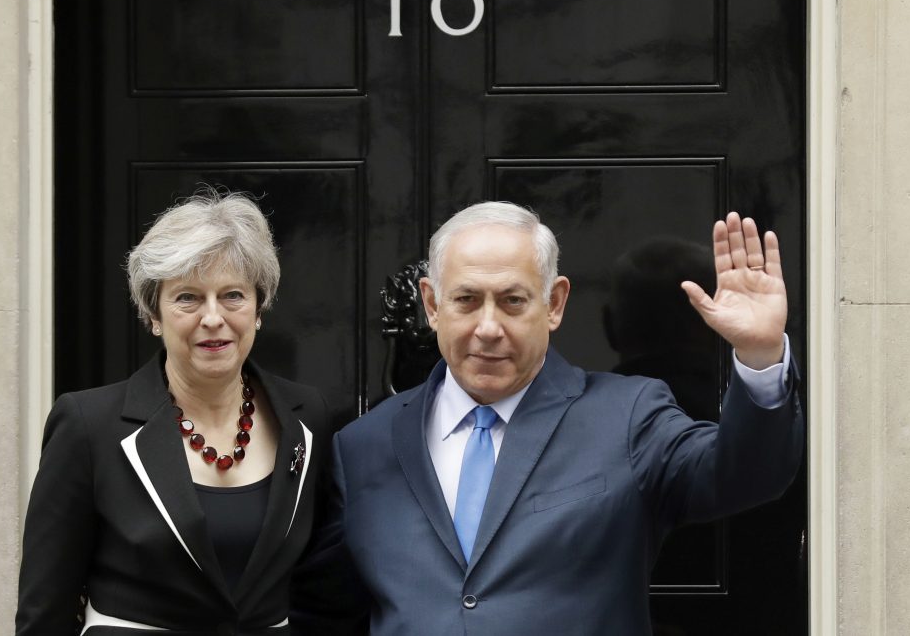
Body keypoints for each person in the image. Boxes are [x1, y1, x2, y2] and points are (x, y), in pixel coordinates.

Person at [328, 201, 803, 635]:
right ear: (432, 305)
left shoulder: (626, 416)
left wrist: (759, 354)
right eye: (466, 300)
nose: (488, 328)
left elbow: (744, 474)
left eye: (513, 301)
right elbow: (330, 609)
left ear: (554, 304)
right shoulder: (364, 444)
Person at [16, 192, 339, 635]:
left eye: (232, 296)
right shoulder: (88, 426)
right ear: (153, 314)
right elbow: (45, 612)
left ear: (258, 309)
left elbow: (321, 587)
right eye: (188, 298)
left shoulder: (307, 418)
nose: (213, 317)